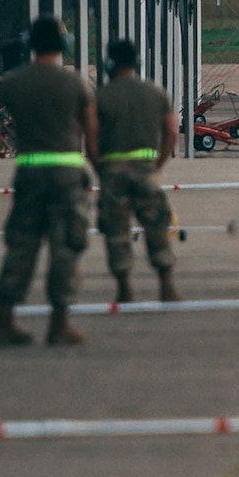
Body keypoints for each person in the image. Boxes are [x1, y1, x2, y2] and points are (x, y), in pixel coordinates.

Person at [0, 16, 98, 348]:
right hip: (66, 172)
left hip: (29, 170)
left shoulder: (13, 83)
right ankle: (59, 323)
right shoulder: (77, 85)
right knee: (65, 247)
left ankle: (4, 319)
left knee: (21, 244)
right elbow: (91, 135)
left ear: (29, 45)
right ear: (63, 46)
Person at [95, 37, 181, 303]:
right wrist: (157, 164)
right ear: (137, 62)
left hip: (112, 171)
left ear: (110, 63)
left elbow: (90, 137)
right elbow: (171, 131)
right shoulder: (155, 93)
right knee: (157, 225)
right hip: (146, 170)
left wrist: (101, 167)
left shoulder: (101, 96)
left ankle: (124, 287)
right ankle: (166, 284)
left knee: (116, 231)